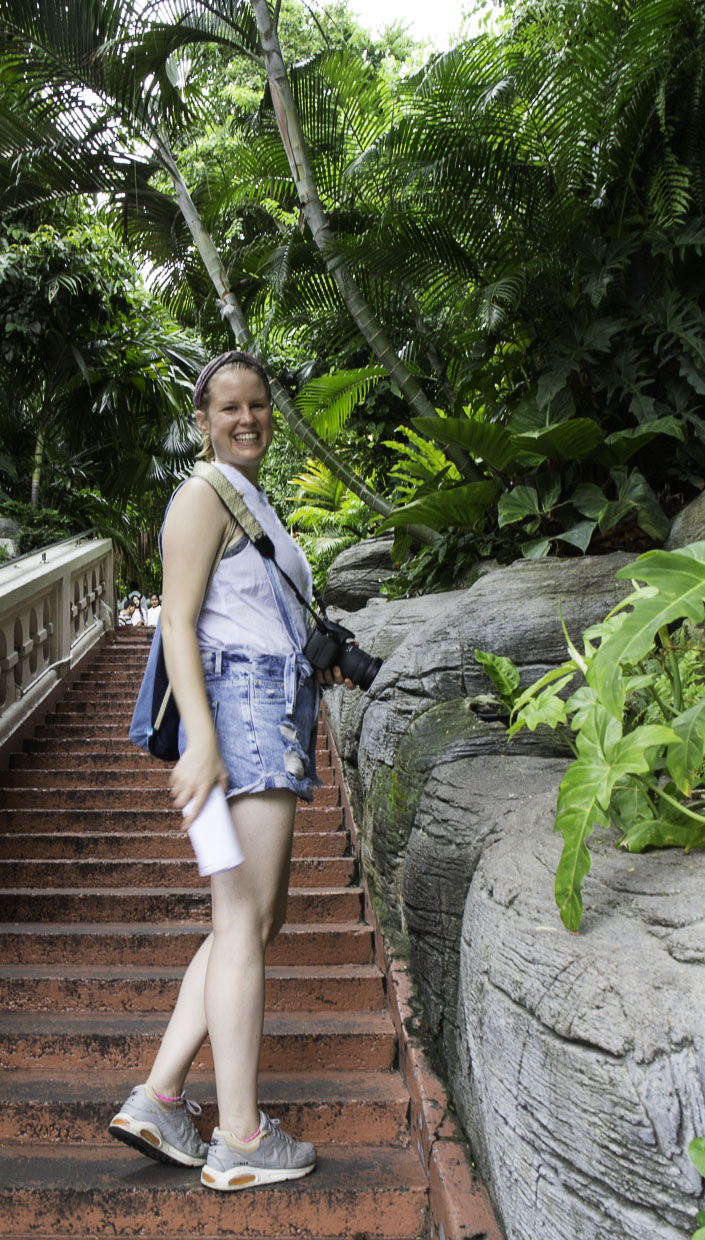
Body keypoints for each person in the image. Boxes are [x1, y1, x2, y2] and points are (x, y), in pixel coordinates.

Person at [109, 351, 353, 1192]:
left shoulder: (250, 500)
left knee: (250, 917)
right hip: (239, 711)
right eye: (228, 408)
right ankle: (242, 1137)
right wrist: (203, 743)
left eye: (257, 404)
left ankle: (160, 1099)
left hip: (265, 704)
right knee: (244, 919)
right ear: (203, 420)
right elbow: (176, 622)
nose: (246, 419)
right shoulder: (201, 495)